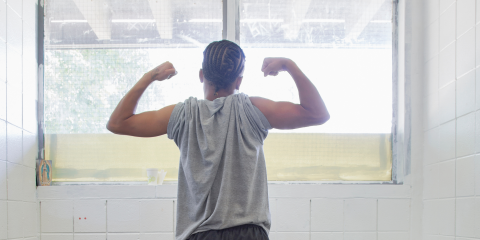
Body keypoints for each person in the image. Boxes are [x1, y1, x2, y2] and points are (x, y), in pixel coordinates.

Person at [107, 40, 329, 240]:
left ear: (201, 75)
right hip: (249, 234)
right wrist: (288, 65)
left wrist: (152, 76)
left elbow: (117, 123)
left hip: (199, 234)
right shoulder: (253, 109)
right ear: (239, 81)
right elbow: (318, 114)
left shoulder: (184, 114)